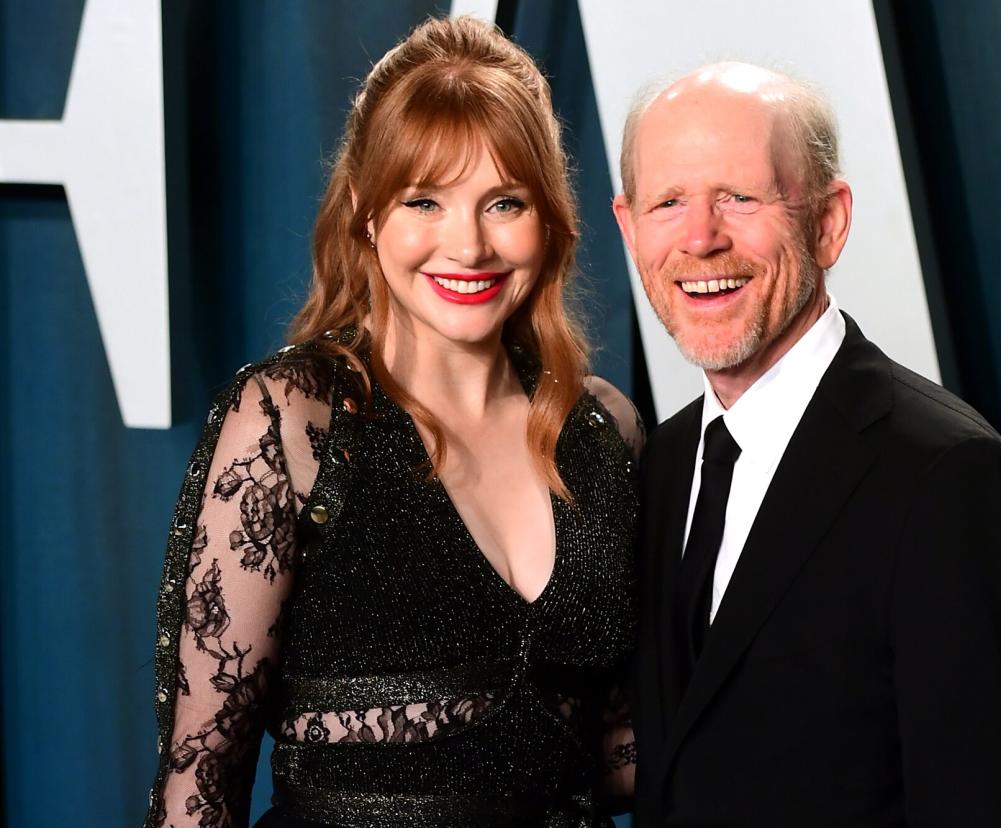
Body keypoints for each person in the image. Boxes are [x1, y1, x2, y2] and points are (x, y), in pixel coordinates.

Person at [145, 17, 641, 828]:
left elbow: (616, 744)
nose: (468, 245)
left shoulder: (602, 430)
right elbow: (199, 787)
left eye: (504, 202)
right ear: (367, 213)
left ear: (547, 218)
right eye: (425, 201)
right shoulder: (292, 420)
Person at [612, 63, 1001, 826]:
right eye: (668, 203)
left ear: (828, 222)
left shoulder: (949, 481)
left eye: (739, 197)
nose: (700, 237)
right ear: (629, 228)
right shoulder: (659, 469)